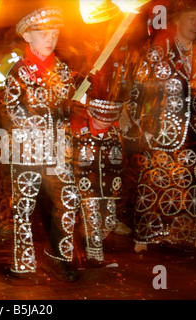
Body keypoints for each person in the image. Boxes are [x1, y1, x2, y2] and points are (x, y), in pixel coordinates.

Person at [122, 0, 196, 253]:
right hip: (162, 128)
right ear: (178, 21)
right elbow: (139, 90)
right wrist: (136, 123)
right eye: (192, 18)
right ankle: (146, 233)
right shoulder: (157, 52)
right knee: (156, 180)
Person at [0, 6, 81, 282]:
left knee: (68, 201)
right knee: (24, 207)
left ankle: (58, 256)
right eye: (44, 34)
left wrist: (79, 103)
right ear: (28, 37)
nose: (50, 39)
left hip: (59, 151)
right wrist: (36, 128)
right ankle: (22, 262)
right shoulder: (17, 71)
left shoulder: (65, 71)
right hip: (27, 150)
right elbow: (6, 108)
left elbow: (70, 107)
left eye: (54, 34)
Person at [70, 58, 128, 265]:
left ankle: (92, 247)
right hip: (88, 188)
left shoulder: (116, 135)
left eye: (109, 116)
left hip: (109, 189)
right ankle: (95, 257)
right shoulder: (80, 135)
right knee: (92, 221)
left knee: (108, 221)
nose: (104, 120)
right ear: (90, 113)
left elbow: (121, 163)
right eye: (100, 116)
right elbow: (70, 161)